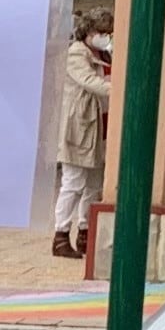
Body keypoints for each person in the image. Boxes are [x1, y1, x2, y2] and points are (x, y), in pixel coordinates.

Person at [52, 20, 114, 261]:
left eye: (108, 32)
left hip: (100, 127)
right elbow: (90, 82)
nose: (104, 36)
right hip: (79, 127)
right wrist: (121, 86)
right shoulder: (76, 54)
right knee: (73, 182)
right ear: (88, 32)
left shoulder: (103, 53)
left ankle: (85, 232)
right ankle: (61, 235)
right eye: (100, 31)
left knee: (93, 185)